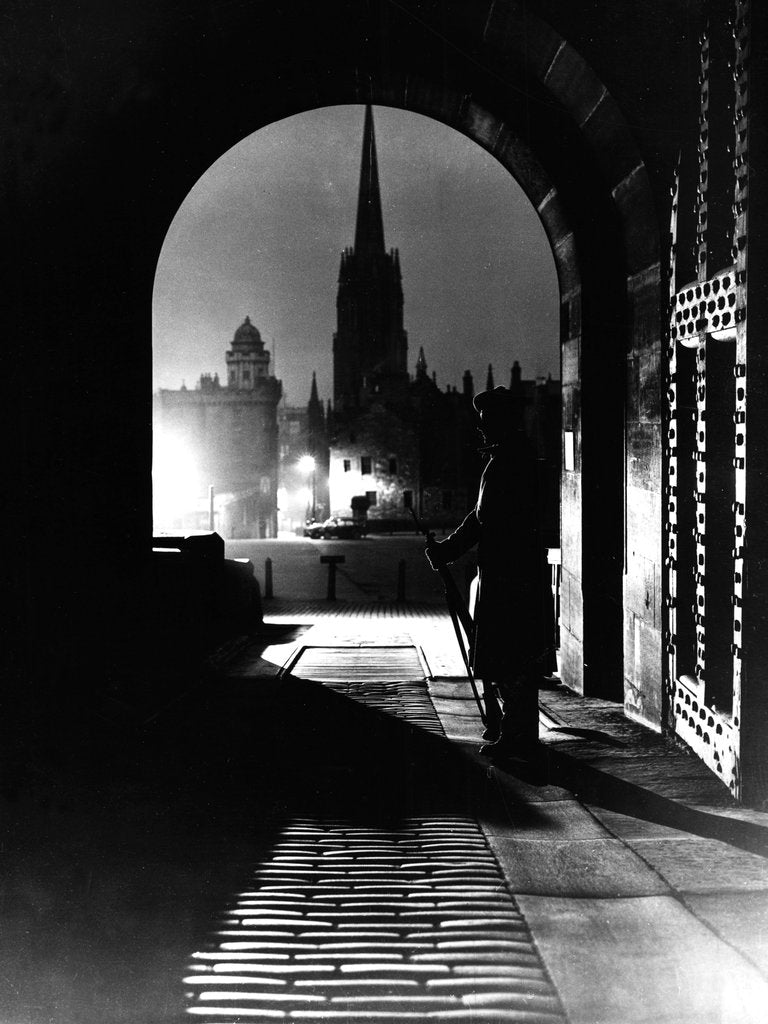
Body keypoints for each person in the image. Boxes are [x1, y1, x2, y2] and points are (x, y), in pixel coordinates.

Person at [424, 385, 549, 766]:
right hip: (505, 575)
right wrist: (447, 549)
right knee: (506, 657)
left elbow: (486, 522)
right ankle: (513, 731)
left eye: (486, 421)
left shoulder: (511, 462)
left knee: (512, 658)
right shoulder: (504, 459)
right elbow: (479, 518)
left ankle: (517, 737)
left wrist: (448, 549)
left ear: (502, 422)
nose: (480, 428)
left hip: (512, 578)